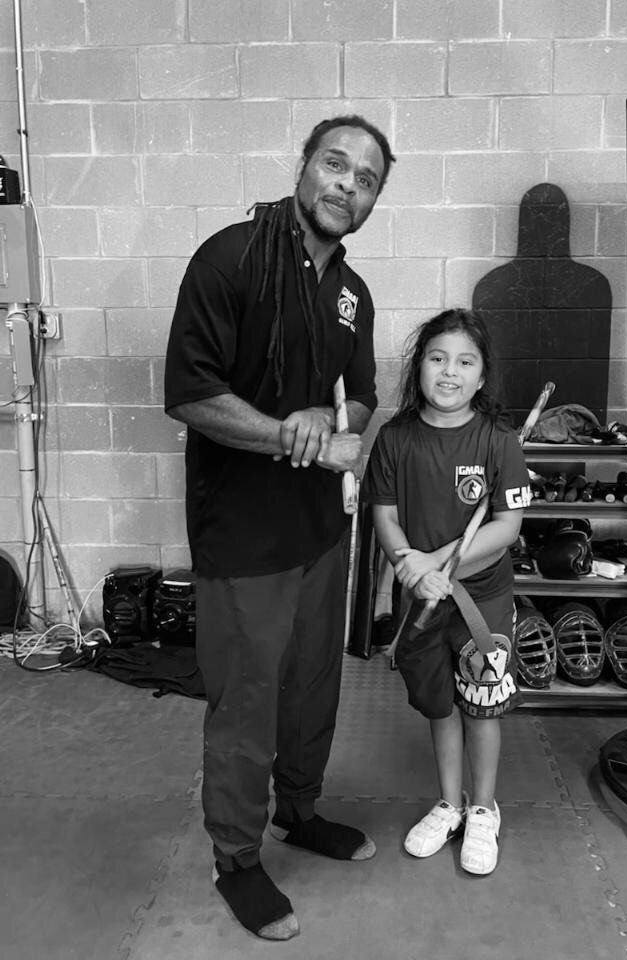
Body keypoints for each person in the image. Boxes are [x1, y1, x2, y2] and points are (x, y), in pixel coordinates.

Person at [164, 115, 395, 941]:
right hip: (242, 537)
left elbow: (361, 394)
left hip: (317, 531)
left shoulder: (352, 293)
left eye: (366, 179)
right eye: (336, 164)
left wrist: (335, 420)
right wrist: (285, 431)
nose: (348, 184)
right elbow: (189, 391)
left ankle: (300, 811)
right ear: (303, 167)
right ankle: (238, 859)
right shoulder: (230, 257)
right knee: (246, 705)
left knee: (311, 688)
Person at [362, 308, 531, 876]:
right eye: (437, 359)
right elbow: (384, 516)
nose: (449, 372)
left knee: (482, 705)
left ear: (482, 376)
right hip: (418, 596)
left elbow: (506, 528)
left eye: (465, 361)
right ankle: (450, 804)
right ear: (420, 369)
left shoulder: (498, 439)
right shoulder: (394, 438)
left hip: (480, 598)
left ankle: (484, 810)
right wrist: (409, 564)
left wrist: (435, 561)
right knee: (438, 704)